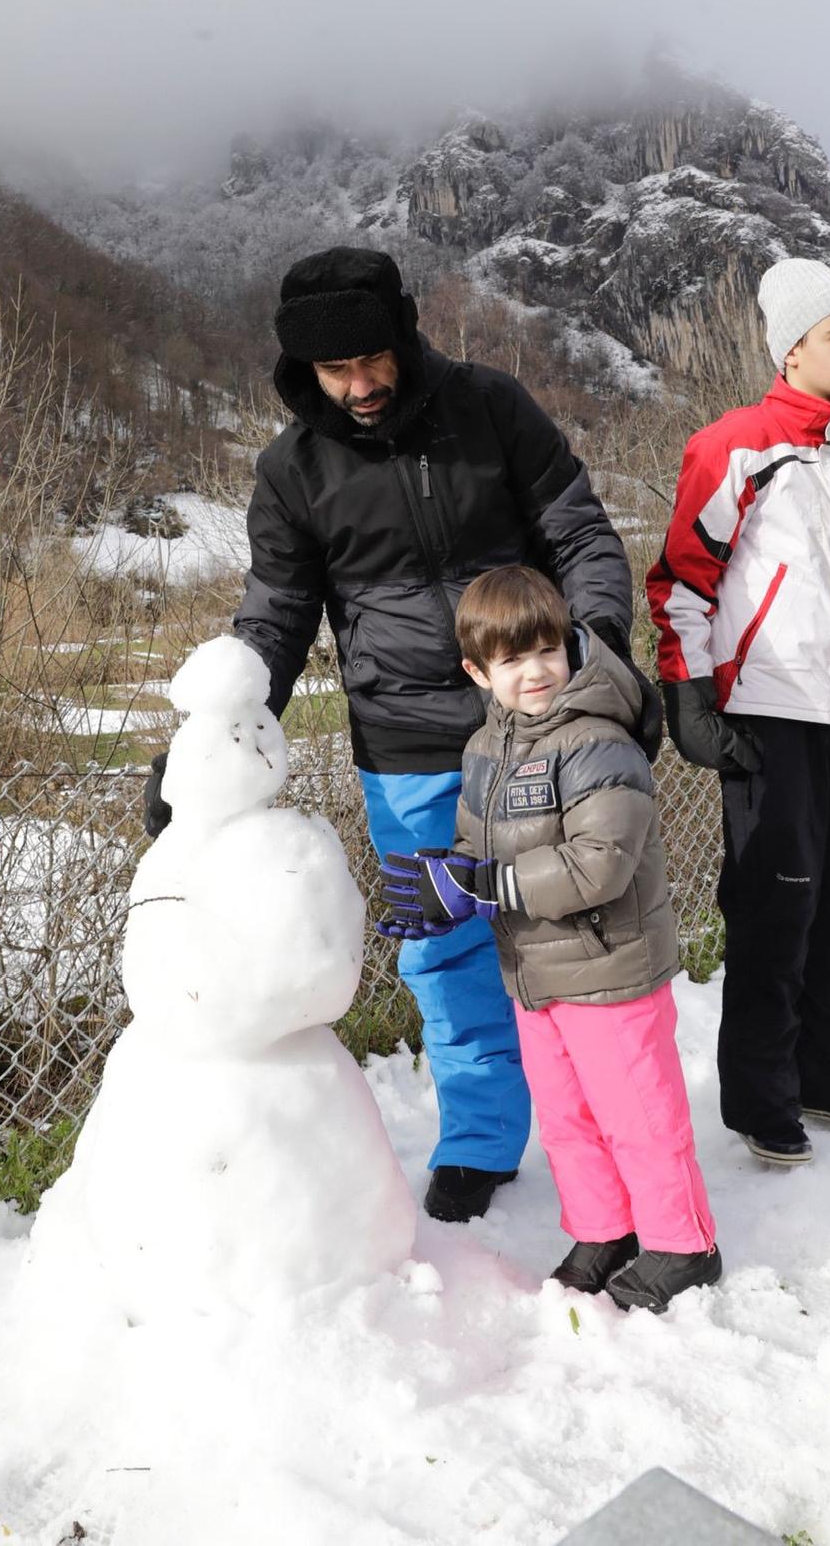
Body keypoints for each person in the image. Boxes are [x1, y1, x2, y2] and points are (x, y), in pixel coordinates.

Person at [145, 247, 646, 1224]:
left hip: (541, 729)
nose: (362, 383)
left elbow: (580, 533)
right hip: (408, 751)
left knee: (579, 929)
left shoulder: (491, 408)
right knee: (445, 947)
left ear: (404, 335)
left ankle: (617, 1125)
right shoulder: (292, 470)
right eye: (337, 370)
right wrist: (208, 743)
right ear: (303, 371)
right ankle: (480, 1139)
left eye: (374, 357)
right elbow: (275, 615)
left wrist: (604, 656)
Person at [377, 565, 720, 1315]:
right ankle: (605, 1229)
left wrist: (484, 886)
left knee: (636, 1113)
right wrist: (444, 890)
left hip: (610, 969)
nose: (534, 672)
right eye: (511, 660)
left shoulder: (597, 741)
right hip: (533, 974)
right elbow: (474, 849)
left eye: (546, 651)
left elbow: (598, 866)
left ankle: (682, 1244)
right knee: (567, 1117)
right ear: (477, 671)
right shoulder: (483, 751)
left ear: (567, 646)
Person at [647, 258, 830, 1165]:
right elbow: (682, 581)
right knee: (775, 909)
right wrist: (689, 697)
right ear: (789, 349)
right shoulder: (736, 445)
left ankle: (825, 1076)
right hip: (768, 717)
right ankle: (762, 1103)